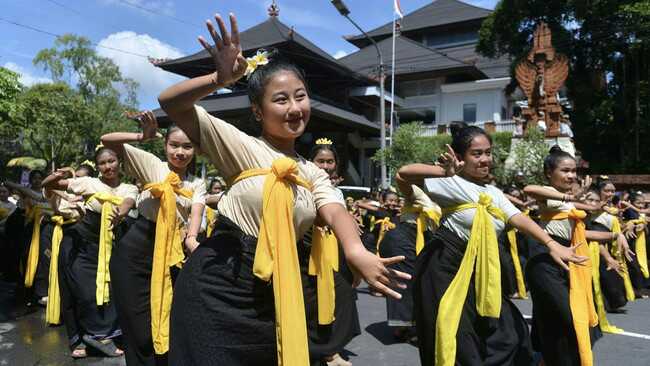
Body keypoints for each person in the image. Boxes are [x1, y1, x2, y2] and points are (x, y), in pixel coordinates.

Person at [157, 13, 408, 365]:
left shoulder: (311, 171)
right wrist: (219, 78)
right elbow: (171, 102)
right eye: (280, 100)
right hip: (217, 287)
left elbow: (334, 209)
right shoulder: (240, 146)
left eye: (300, 96)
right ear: (258, 111)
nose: (294, 108)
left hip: (273, 295)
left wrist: (354, 250)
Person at [397, 127, 586, 366]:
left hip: (481, 270)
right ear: (460, 157)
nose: (485, 159)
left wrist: (550, 243)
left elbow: (517, 217)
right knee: (457, 341)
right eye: (477, 153)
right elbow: (403, 175)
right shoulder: (446, 181)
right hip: (445, 268)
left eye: (488, 152)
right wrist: (441, 171)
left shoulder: (493, 193)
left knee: (511, 335)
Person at [101, 110, 206, 366]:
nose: (180, 152)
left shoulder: (196, 184)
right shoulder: (151, 165)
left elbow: (196, 213)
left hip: (172, 255)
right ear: (165, 145)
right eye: (174, 145)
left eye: (187, 147)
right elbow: (107, 140)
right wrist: (141, 135)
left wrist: (192, 239)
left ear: (195, 150)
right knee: (137, 325)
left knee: (167, 319)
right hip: (135, 251)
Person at [523, 147, 635, 366]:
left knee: (557, 320)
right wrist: (570, 196)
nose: (571, 176)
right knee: (570, 317)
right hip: (545, 259)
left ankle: (546, 360)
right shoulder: (548, 193)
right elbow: (528, 188)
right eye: (565, 170)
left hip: (568, 258)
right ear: (549, 172)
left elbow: (584, 233)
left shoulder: (568, 203)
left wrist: (615, 234)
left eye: (574, 171)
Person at [42, 148, 138, 358]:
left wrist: (119, 214)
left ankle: (99, 335)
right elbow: (48, 185)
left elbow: (127, 203)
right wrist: (55, 177)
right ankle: (87, 338)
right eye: (102, 163)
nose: (108, 167)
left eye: (111, 161)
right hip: (79, 245)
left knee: (109, 291)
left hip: (108, 246)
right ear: (98, 167)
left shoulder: (129, 187)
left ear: (119, 162)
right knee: (82, 292)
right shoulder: (90, 183)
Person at [305, 138, 361, 366]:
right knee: (324, 299)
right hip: (314, 250)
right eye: (321, 161)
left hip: (337, 250)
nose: (326, 166)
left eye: (330, 161)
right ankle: (328, 352)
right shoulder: (304, 186)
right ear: (310, 163)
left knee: (342, 297)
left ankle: (332, 349)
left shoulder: (336, 191)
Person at [382, 179, 440, 343]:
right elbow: (403, 176)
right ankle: (403, 326)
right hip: (404, 238)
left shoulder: (446, 196)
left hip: (426, 239)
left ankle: (416, 325)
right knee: (404, 281)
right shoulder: (415, 191)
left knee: (424, 282)